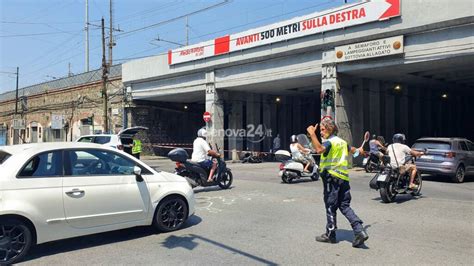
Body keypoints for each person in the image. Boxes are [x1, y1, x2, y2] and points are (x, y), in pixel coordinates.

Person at [307, 118, 368, 248]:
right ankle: (359, 230)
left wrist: (312, 134)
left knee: (330, 205)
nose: (321, 133)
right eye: (320, 131)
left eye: (322, 130)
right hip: (343, 179)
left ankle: (330, 235)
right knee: (344, 206)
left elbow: (319, 150)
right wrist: (360, 151)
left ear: (330, 129)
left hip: (331, 178)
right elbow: (355, 152)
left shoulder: (330, 142)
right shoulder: (342, 142)